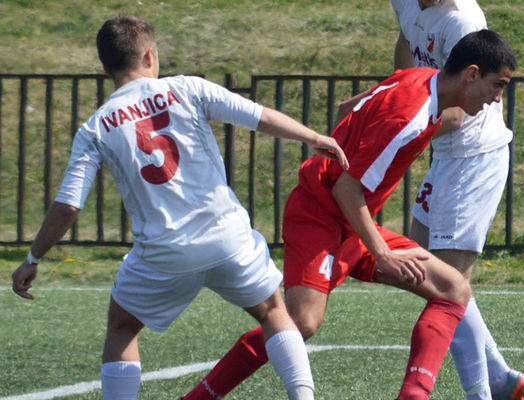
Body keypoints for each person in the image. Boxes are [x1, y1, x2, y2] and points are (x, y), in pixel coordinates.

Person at [9, 15, 350, 400]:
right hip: (227, 238)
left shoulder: (97, 126)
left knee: (122, 327)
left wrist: (33, 258)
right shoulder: (187, 88)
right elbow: (259, 117)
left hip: (164, 253)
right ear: (149, 56)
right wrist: (313, 136)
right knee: (273, 311)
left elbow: (68, 207)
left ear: (106, 68)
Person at [181, 29, 517, 400]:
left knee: (453, 288)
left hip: (353, 223)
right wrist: (382, 253)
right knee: (300, 323)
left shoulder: (419, 80)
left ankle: (415, 395)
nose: (497, 98)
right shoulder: (410, 115)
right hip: (319, 215)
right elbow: (345, 188)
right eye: (497, 86)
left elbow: (348, 109)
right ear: (471, 74)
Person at [393, 1, 524, 399]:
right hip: (446, 154)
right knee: (422, 263)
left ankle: (483, 392)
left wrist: (393, 125)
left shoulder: (463, 20)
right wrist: (402, 90)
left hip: (473, 155)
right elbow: (407, 38)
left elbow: (457, 113)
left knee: (446, 284)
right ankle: (499, 376)